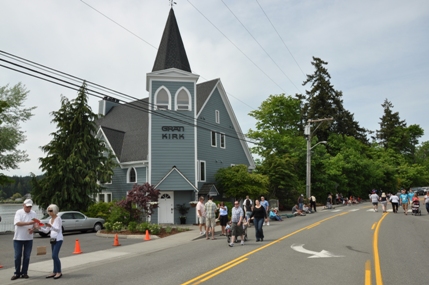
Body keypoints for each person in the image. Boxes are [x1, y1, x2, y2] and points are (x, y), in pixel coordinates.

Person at [11, 199, 39, 280]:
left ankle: (24, 272)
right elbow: (17, 223)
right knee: (17, 256)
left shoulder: (33, 213)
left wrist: (33, 229)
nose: (28, 208)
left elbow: (36, 223)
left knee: (27, 256)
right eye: (27, 207)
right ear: (23, 205)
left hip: (28, 238)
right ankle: (17, 273)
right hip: (18, 238)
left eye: (30, 207)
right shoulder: (19, 212)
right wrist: (29, 223)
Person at [38, 204, 63, 279]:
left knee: (54, 255)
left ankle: (59, 272)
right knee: (54, 256)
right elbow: (46, 231)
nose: (49, 212)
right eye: (48, 211)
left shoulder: (58, 219)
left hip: (58, 239)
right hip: (52, 239)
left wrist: (51, 226)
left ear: (55, 211)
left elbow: (58, 229)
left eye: (51, 211)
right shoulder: (50, 219)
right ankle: (54, 271)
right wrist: (40, 228)